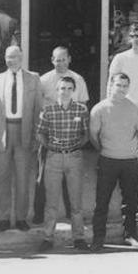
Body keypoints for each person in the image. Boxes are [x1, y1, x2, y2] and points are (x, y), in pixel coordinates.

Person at [0, 45, 44, 232]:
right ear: (5, 58)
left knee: (22, 177)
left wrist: (38, 135)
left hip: (24, 130)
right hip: (2, 131)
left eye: (15, 57)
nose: (12, 61)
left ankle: (20, 218)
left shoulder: (33, 78)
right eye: (9, 57)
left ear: (22, 57)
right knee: (2, 177)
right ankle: (3, 218)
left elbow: (38, 110)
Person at [88, 72, 138, 250]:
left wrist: (130, 150)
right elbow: (93, 136)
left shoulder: (135, 108)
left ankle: (131, 235)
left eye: (125, 86)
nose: (121, 89)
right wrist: (106, 149)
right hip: (108, 160)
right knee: (102, 201)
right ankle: (98, 238)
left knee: (131, 202)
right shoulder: (99, 109)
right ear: (111, 85)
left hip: (129, 161)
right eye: (118, 85)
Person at [35, 76, 89, 252]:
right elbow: (40, 133)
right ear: (56, 90)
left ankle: (79, 237)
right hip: (54, 158)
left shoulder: (81, 110)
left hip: (74, 158)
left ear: (73, 90)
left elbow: (86, 134)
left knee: (75, 201)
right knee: (52, 202)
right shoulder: (48, 110)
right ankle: (48, 237)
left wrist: (77, 146)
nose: (65, 92)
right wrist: (49, 146)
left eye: (68, 88)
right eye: (62, 88)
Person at [34, 45, 87, 222]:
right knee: (43, 177)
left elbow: (83, 107)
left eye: (63, 59)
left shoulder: (78, 79)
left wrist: (80, 138)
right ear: (52, 60)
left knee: (70, 178)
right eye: (57, 59)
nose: (60, 62)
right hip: (49, 136)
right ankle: (39, 214)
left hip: (71, 137)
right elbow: (38, 107)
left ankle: (72, 214)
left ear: (69, 59)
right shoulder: (43, 80)